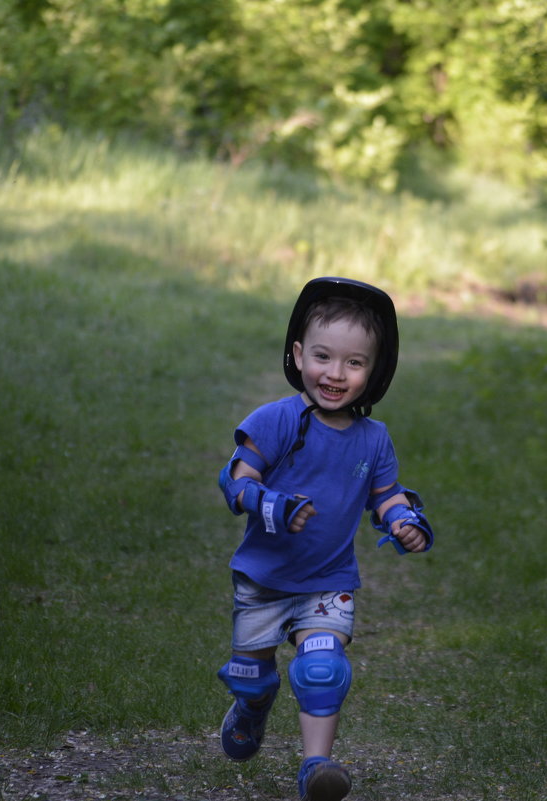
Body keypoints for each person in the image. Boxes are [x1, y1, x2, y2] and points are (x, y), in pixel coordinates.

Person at [215, 277, 434, 801]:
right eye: (322, 357)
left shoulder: (373, 439)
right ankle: (251, 705)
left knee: (321, 669)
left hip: (328, 582)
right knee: (255, 676)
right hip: (264, 579)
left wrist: (403, 520)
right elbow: (236, 481)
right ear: (297, 354)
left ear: (374, 371)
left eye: (354, 363)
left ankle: (317, 768)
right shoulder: (276, 420)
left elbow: (385, 495)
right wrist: (272, 505)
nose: (335, 374)